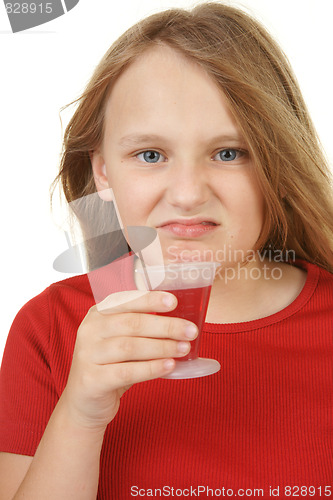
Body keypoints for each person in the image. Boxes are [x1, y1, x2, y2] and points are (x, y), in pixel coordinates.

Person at [0, 2, 332, 499]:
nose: (187, 194)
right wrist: (81, 414)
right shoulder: (50, 329)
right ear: (104, 172)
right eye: (150, 155)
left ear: (279, 163)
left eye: (229, 153)